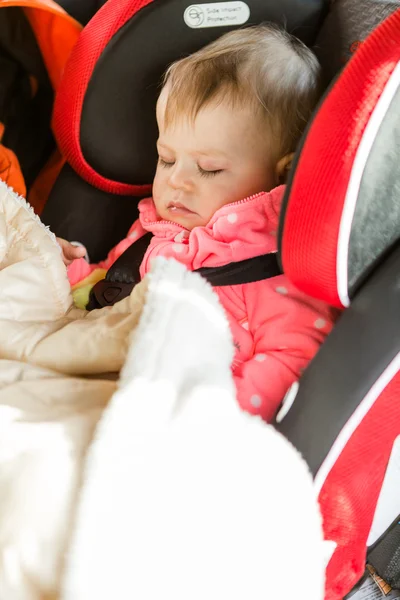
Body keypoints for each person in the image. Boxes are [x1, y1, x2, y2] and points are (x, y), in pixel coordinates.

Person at [59, 24, 335, 422]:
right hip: (110, 371)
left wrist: (213, 413)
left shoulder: (272, 266)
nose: (176, 180)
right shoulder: (154, 230)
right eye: (167, 159)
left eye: (208, 168)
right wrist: (71, 271)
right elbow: (111, 288)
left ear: (282, 175)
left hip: (190, 408)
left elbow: (295, 356)